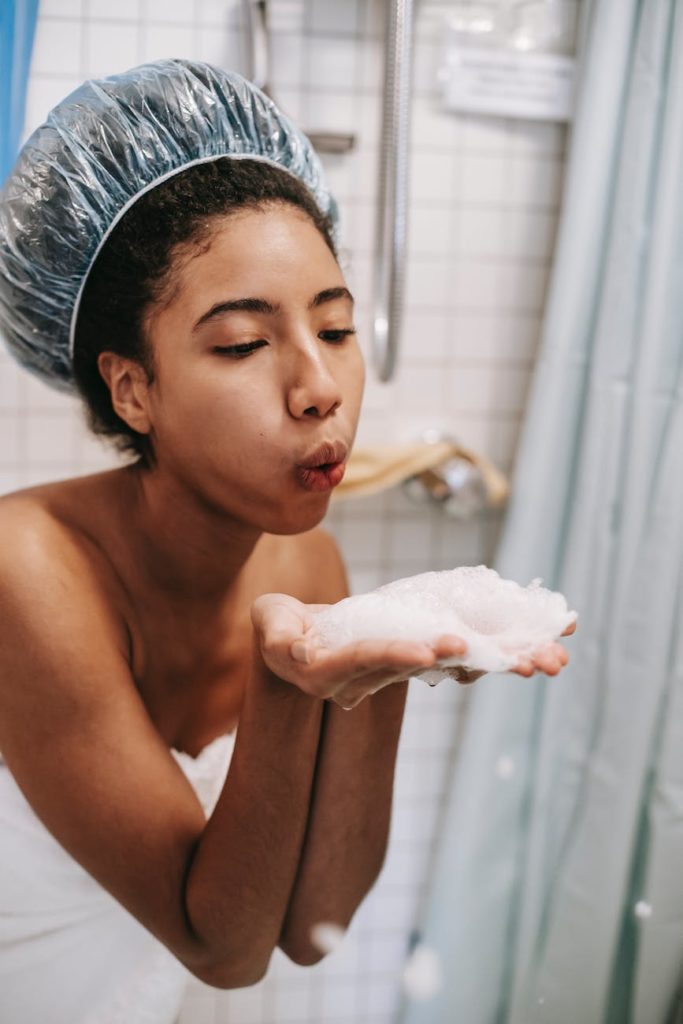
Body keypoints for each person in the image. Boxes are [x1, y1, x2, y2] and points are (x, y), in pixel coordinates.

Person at [0, 60, 571, 1023]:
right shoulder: (28, 569)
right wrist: (287, 678)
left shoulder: (309, 563)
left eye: (336, 327)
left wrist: (393, 652)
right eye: (240, 344)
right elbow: (221, 949)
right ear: (132, 389)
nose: (320, 387)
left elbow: (313, 930)